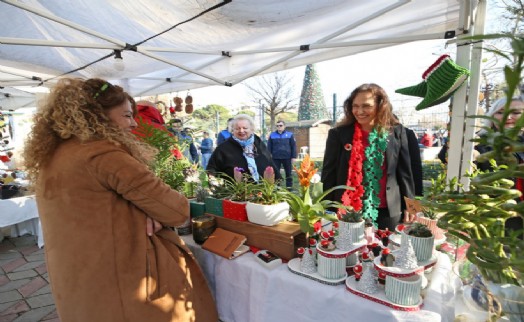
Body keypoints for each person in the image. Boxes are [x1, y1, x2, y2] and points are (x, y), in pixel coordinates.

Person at [22, 78, 217, 322]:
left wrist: (145, 211)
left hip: (79, 276)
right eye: (126, 115)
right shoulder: (103, 154)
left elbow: (96, 208)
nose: (134, 123)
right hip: (124, 278)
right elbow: (177, 211)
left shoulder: (55, 155)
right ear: (98, 115)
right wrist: (150, 212)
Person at [322, 83, 416, 230]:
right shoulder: (338, 134)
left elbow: (407, 173)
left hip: (388, 210)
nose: (359, 111)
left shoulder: (398, 132)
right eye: (355, 106)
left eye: (366, 106)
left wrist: (412, 207)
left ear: (380, 106)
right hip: (348, 210)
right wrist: (326, 209)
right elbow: (329, 173)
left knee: (384, 250)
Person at [207, 114, 280, 182]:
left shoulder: (259, 143)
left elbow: (270, 163)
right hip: (235, 193)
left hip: (262, 191)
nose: (241, 131)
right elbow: (212, 168)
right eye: (237, 128)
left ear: (252, 129)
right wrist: (213, 181)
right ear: (232, 130)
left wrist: (277, 181)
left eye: (245, 128)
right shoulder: (223, 148)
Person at [267, 120, 297, 189]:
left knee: (288, 172)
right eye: (277, 126)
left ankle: (289, 187)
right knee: (276, 172)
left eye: (280, 125)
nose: (279, 127)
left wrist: (293, 157)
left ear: (284, 126)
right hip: (275, 157)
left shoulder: (290, 135)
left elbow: (293, 146)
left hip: (287, 157)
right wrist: (269, 156)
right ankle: (277, 186)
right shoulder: (272, 135)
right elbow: (269, 147)